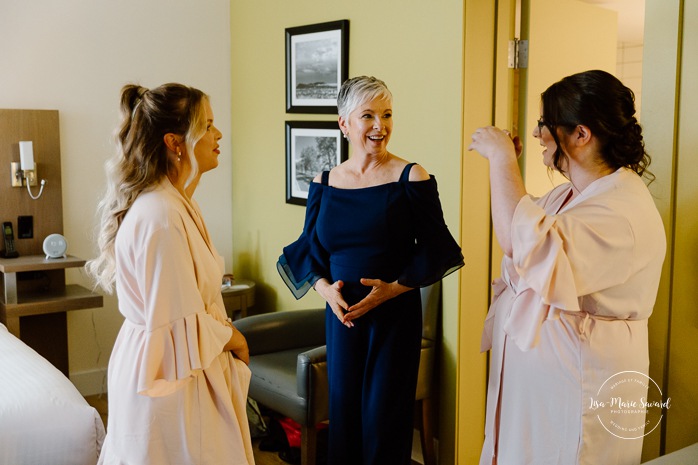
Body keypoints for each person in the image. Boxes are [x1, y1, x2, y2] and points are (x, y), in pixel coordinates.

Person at [468, 70, 666, 465]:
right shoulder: (568, 194)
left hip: (581, 383)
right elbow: (520, 242)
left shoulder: (622, 210)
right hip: (541, 385)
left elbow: (521, 245)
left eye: (545, 123)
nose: (539, 132)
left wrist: (502, 160)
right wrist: (507, 168)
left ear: (580, 134)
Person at [277, 75, 464, 465]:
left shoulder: (411, 177)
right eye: (368, 116)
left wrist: (393, 289)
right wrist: (325, 289)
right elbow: (309, 249)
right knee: (344, 417)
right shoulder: (324, 182)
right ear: (344, 124)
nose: (381, 126)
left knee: (384, 421)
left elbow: (438, 248)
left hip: (393, 318)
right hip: (344, 321)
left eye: (387, 114)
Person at [87, 83, 255, 465]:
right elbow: (181, 324)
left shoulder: (178, 205)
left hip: (184, 364)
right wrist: (236, 340)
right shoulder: (161, 216)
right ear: (175, 142)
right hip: (172, 373)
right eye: (208, 126)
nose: (218, 135)